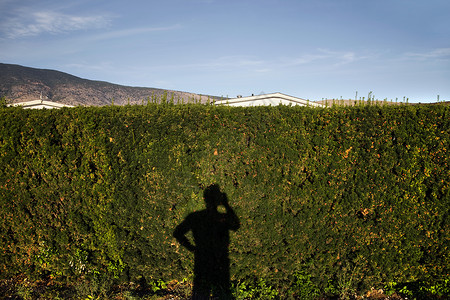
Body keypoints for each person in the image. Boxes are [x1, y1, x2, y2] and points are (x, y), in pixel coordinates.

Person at [173, 184, 240, 299]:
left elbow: (178, 233)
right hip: (219, 258)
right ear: (218, 200)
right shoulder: (221, 218)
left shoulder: (197, 217)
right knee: (219, 291)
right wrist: (227, 205)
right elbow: (236, 226)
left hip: (204, 257)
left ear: (205, 200)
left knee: (202, 291)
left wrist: (191, 248)